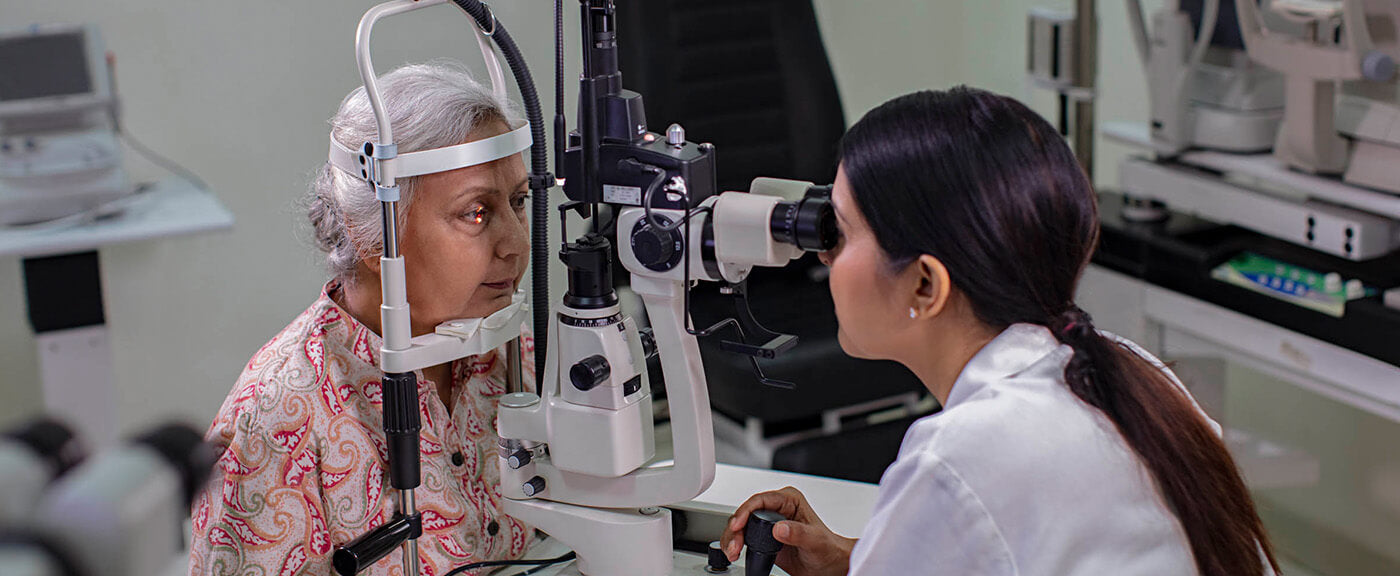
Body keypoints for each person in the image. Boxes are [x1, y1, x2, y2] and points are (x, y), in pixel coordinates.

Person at [720, 87, 1280, 576]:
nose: (821, 254)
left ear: (924, 285)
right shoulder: (1131, 371)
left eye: (838, 232)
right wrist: (859, 559)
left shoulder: (957, 458)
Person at [189, 61, 535, 575]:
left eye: (519, 201)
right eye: (475, 213)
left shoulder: (510, 351)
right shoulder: (277, 422)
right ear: (371, 236)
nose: (516, 244)